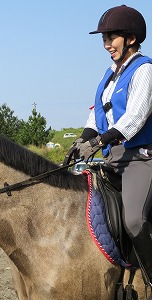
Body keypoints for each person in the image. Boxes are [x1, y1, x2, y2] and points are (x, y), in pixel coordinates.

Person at [73, 5, 152, 287]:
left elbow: (135, 117)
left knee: (133, 220)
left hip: (140, 159)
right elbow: (97, 113)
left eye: (111, 38)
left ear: (130, 38)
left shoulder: (144, 70)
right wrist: (83, 139)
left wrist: (100, 140)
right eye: (104, 39)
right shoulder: (110, 74)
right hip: (112, 160)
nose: (107, 45)